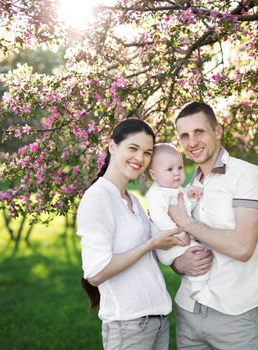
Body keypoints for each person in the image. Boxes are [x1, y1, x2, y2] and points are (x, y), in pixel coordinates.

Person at [168, 101, 258, 350]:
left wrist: (186, 222)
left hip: (234, 313)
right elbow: (175, 243)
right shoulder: (186, 188)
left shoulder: (248, 175)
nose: (192, 142)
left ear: (218, 131)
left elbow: (242, 247)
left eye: (199, 132)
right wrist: (177, 264)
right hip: (188, 309)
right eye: (184, 135)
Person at [76, 119, 186, 350]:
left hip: (158, 320)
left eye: (147, 152)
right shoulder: (98, 197)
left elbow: (147, 257)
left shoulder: (134, 200)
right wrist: (151, 244)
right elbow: (95, 273)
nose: (140, 158)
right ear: (112, 146)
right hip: (128, 326)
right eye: (133, 148)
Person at [145, 143, 209, 298]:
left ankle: (202, 287)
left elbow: (185, 208)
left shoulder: (176, 189)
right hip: (170, 243)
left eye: (180, 167)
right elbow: (159, 217)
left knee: (203, 255)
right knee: (199, 255)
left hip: (181, 238)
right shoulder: (156, 194)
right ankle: (200, 290)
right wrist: (176, 232)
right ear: (154, 175)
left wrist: (191, 197)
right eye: (170, 169)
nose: (177, 173)